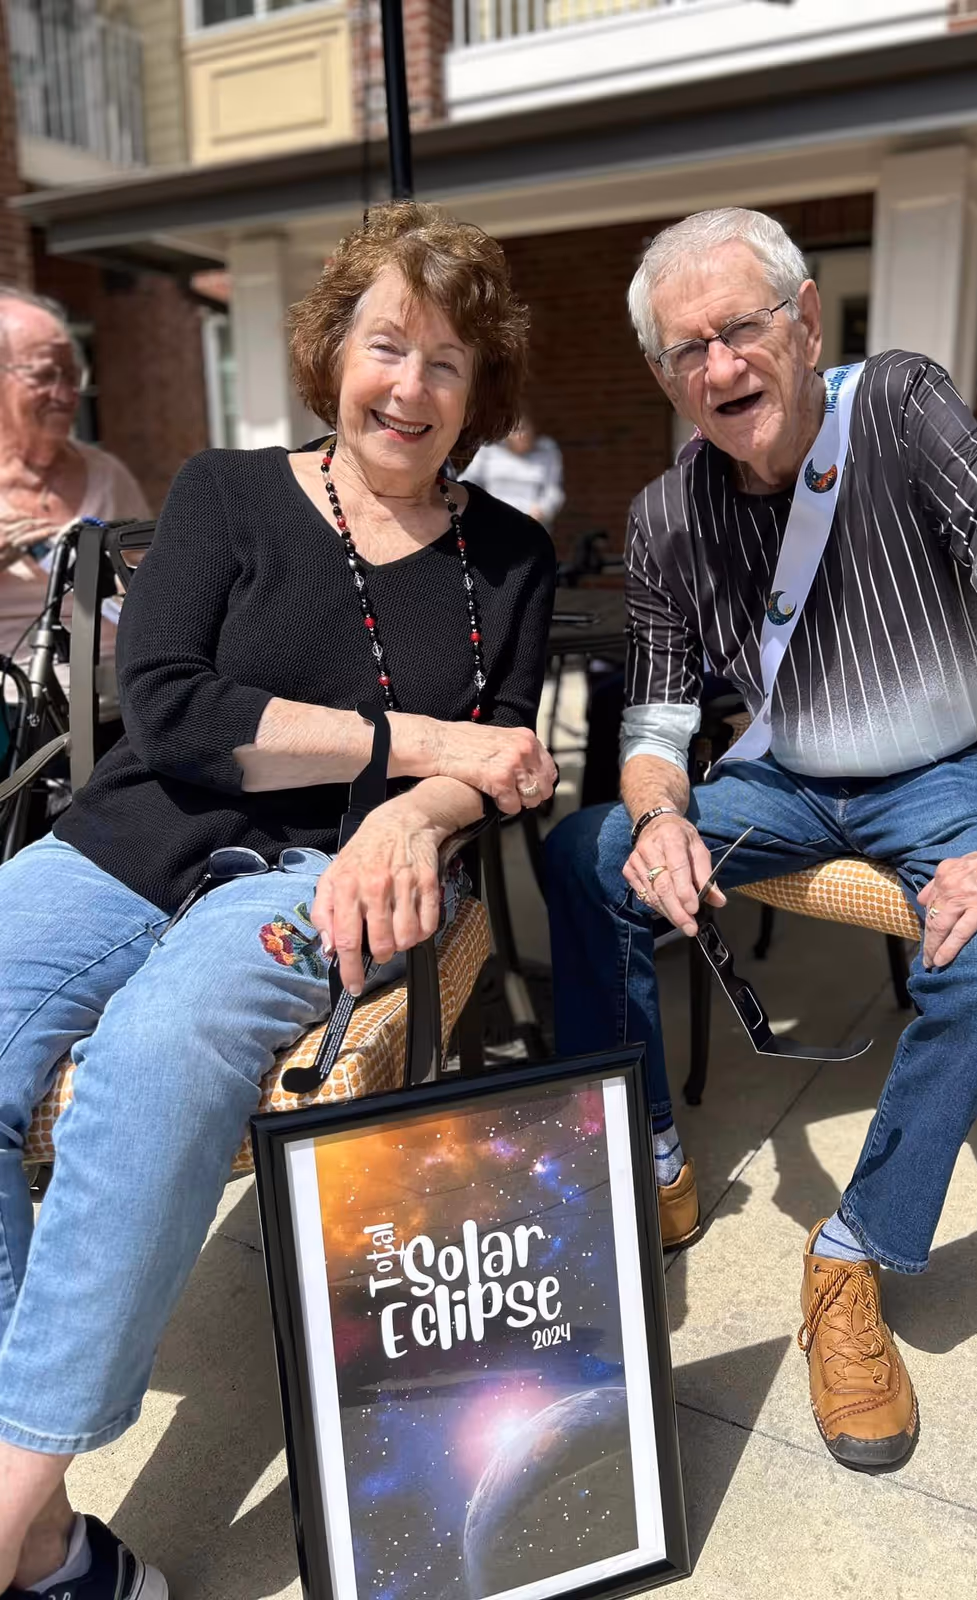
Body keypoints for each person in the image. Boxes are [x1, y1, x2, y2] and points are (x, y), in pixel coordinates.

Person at [0, 201, 557, 1597]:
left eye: (449, 361)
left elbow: (508, 761)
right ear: (332, 355)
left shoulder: (514, 556)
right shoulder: (226, 491)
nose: (411, 388)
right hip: (137, 832)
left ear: (483, 388)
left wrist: (415, 817)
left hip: (327, 871)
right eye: (387, 346)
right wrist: (419, 751)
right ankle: (50, 1542)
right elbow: (171, 710)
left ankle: (8, 1512)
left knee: (159, 1060)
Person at [544, 208, 977, 1469]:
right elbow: (656, 717)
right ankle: (651, 1144)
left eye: (743, 328)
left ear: (805, 322)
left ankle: (853, 1255)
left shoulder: (900, 405)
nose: (722, 368)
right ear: (661, 376)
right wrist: (657, 818)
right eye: (687, 349)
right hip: (783, 780)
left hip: (949, 771)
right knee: (580, 858)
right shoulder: (664, 514)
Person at [0, 287, 149, 660]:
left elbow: (159, 592)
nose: (67, 395)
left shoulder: (106, 474)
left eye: (72, 375)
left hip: (117, 690)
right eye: (46, 376)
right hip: (13, 700)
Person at [464, 413, 565, 530]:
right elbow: (467, 481)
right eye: (515, 430)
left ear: (533, 428)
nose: (521, 435)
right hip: (494, 522)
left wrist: (543, 509)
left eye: (524, 428)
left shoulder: (547, 451)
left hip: (531, 524)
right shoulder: (489, 450)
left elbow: (554, 491)